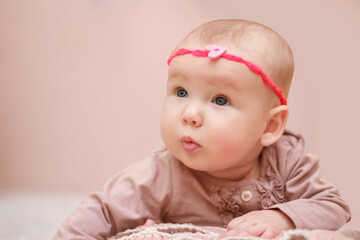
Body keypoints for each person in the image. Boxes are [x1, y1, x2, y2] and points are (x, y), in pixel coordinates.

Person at [54, 19, 351, 239]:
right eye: (181, 92)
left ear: (270, 125)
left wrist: (281, 219)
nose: (190, 114)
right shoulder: (162, 174)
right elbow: (103, 210)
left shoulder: (286, 160)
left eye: (220, 99)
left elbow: (332, 207)